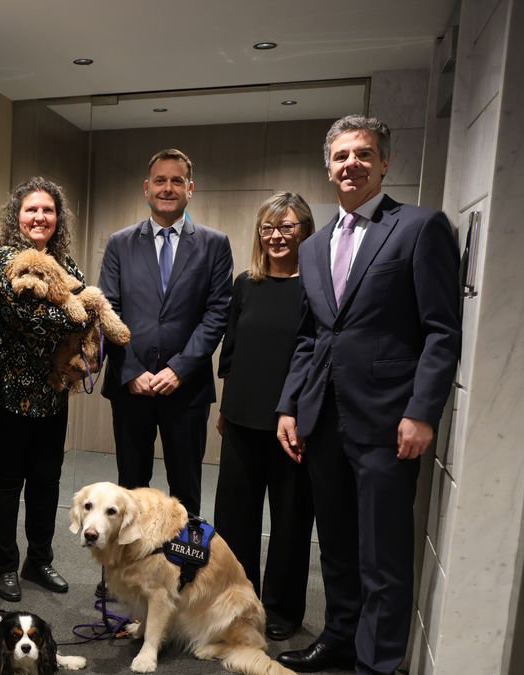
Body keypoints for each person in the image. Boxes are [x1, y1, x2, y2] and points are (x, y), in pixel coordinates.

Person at [276, 115, 461, 674]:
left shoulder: (420, 228)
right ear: (327, 167)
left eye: (364, 154)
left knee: (382, 555)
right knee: (334, 544)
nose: (351, 163)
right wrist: (289, 404)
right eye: (341, 156)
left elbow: (441, 330)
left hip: (388, 422)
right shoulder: (314, 247)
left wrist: (422, 412)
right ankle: (339, 635)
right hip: (322, 417)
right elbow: (312, 336)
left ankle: (376, 664)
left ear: (384, 163)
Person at [99, 148, 233, 516]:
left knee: (185, 490)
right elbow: (107, 309)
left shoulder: (214, 244)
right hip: (131, 388)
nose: (168, 188)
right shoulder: (120, 243)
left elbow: (217, 312)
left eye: (177, 181)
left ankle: (183, 571)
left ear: (190, 188)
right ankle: (124, 572)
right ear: (147, 188)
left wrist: (179, 369)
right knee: (128, 492)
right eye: (160, 180)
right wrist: (132, 371)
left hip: (186, 390)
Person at [0, 177, 86, 602]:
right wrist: (73, 315)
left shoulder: (68, 265)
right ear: (16, 216)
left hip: (50, 397)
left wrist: (78, 318)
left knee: (46, 482)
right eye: (31, 210)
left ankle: (38, 560)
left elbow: (89, 316)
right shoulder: (2, 260)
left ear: (58, 219)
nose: (40, 217)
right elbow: (30, 319)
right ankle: (4, 566)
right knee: (5, 483)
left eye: (48, 211)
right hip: (1, 395)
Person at [213, 192, 316, 643]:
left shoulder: (317, 288)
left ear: (304, 232)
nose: (276, 236)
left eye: (287, 227)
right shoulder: (244, 284)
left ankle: (282, 608)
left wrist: (297, 412)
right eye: (269, 228)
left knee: (291, 521)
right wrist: (225, 407)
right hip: (240, 419)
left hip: (291, 423)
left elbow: (314, 357)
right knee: (235, 518)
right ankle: (238, 599)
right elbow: (230, 352)